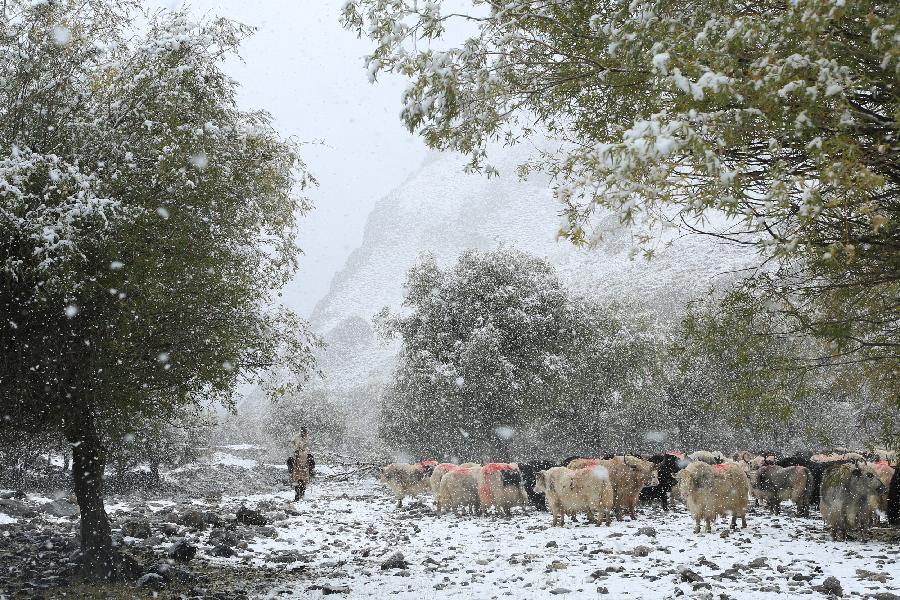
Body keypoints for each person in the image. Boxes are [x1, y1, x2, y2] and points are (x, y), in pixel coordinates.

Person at [288, 427, 311, 501]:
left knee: (304, 479)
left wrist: (305, 451)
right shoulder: (296, 437)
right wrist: (295, 450)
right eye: (304, 433)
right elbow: (291, 444)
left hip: (304, 458)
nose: (305, 434)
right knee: (297, 479)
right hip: (297, 458)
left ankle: (302, 494)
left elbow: (307, 446)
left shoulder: (307, 438)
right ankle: (297, 495)